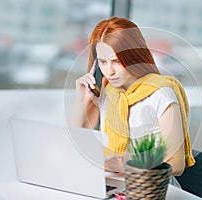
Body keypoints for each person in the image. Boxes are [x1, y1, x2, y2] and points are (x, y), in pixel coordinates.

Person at [68, 16, 195, 187]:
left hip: (152, 187)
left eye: (116, 61)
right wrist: (80, 100)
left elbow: (177, 164)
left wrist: (130, 163)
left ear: (134, 56)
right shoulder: (107, 91)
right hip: (112, 182)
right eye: (103, 62)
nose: (109, 71)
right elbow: (75, 143)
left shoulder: (161, 94)